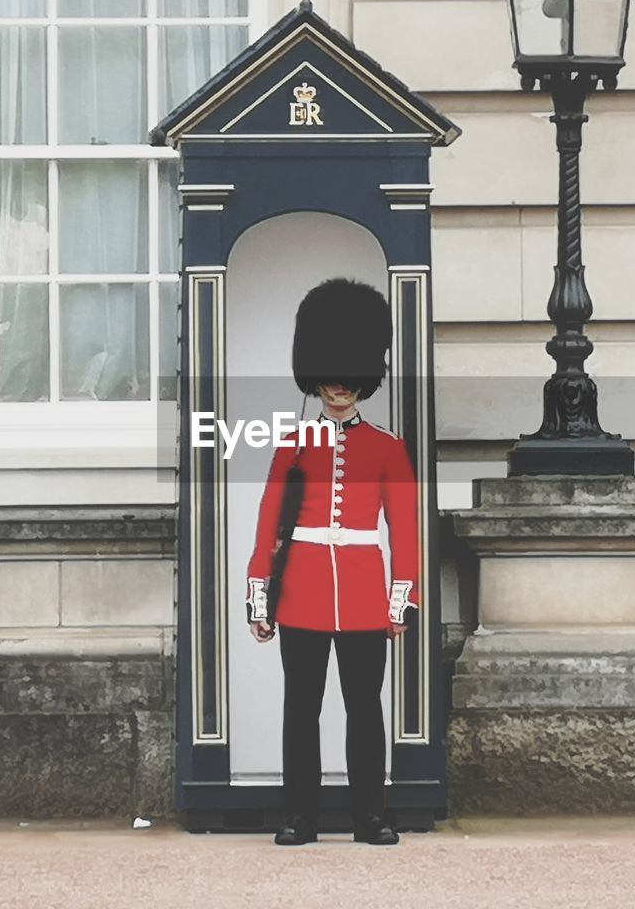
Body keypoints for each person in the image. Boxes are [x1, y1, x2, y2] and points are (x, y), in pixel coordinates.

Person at [245, 277, 420, 847]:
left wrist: (401, 599)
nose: (339, 388)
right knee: (302, 711)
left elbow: (405, 529)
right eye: (330, 377)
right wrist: (259, 596)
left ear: (364, 379)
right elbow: (270, 523)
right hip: (302, 590)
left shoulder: (388, 448)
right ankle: (301, 816)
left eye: (348, 379)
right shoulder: (293, 443)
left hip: (367, 594)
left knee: (365, 712)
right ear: (314, 375)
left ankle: (372, 815)